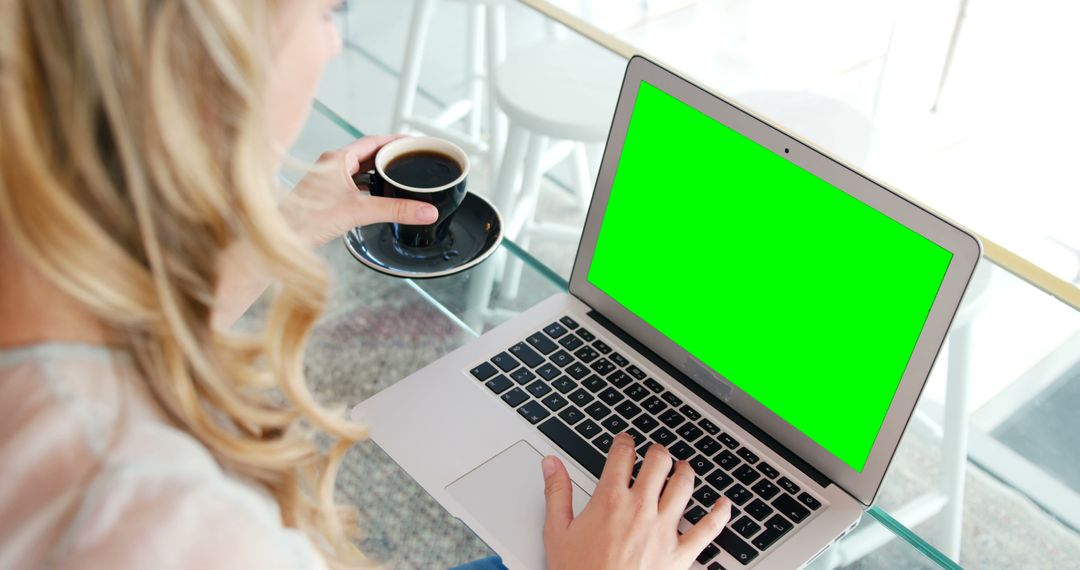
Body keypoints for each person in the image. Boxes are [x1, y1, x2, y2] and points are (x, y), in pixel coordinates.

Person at [0, 1, 732, 568]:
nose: (333, 44)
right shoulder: (157, 519)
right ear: (205, 74)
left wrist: (282, 229)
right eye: (326, 13)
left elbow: (129, 354)